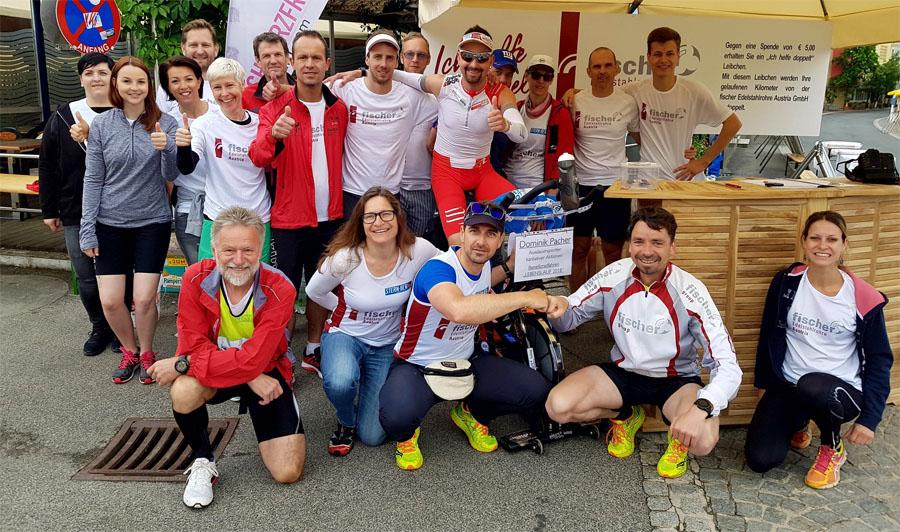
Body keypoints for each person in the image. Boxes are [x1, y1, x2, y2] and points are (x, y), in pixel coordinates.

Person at [544, 207, 742, 479]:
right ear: (629, 245)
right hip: (623, 375)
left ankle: (679, 439)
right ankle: (626, 415)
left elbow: (728, 365)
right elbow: (569, 316)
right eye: (639, 242)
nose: (646, 250)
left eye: (657, 242)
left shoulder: (691, 291)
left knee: (704, 440)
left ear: (673, 248)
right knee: (558, 407)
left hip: (676, 380)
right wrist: (554, 306)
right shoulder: (614, 274)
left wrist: (702, 408)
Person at [379, 201, 563, 470]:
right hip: (417, 365)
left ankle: (470, 413)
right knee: (396, 420)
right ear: (461, 233)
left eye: (491, 234)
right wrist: (529, 297)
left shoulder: (484, 266)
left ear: (500, 239)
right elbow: (459, 310)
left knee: (535, 391)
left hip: (466, 361)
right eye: (475, 231)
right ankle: (407, 437)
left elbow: (482, 284)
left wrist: (510, 267)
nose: (481, 241)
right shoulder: (438, 269)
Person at [147, 207, 304, 509]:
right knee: (183, 390)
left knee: (288, 472)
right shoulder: (194, 278)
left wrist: (182, 364)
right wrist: (248, 373)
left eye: (248, 249)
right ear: (214, 248)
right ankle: (203, 460)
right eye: (229, 249)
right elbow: (195, 345)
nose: (238, 259)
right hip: (242, 375)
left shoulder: (280, 287)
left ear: (261, 248)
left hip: (267, 373)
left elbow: (254, 359)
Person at [745, 211, 893, 489]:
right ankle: (800, 421)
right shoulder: (787, 281)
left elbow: (879, 360)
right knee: (760, 459)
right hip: (789, 383)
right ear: (803, 242)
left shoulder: (863, 298)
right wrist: (764, 383)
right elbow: (769, 334)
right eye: (815, 238)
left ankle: (832, 446)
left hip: (839, 390)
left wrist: (869, 420)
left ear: (844, 245)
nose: (822, 246)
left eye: (831, 239)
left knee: (813, 386)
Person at [306, 187, 439, 456]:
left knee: (373, 435)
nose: (379, 222)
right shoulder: (346, 257)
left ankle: (366, 384)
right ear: (361, 223)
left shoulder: (418, 250)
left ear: (398, 217)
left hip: (386, 343)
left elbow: (446, 269)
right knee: (341, 381)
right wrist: (341, 308)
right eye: (370, 217)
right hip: (347, 335)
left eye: (385, 214)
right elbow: (313, 291)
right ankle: (345, 419)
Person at [249, 30, 349, 376]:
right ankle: (281, 355)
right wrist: (274, 136)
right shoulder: (276, 109)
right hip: (289, 220)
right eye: (302, 57)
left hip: (332, 217)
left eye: (315, 58)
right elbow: (258, 157)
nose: (309, 64)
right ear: (292, 62)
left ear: (326, 63)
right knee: (284, 293)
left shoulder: (339, 109)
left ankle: (314, 348)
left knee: (323, 287)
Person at [79, 56, 179, 385]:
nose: (134, 88)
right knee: (110, 300)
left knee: (144, 298)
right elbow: (93, 179)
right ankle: (129, 349)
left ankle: (148, 351)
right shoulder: (103, 126)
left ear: (149, 86)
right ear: (116, 86)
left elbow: (172, 175)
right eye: (126, 81)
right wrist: (87, 229)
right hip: (109, 223)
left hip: (152, 221)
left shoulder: (164, 122)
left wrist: (166, 149)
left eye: (140, 81)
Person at [389, 26, 527, 246]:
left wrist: (506, 124)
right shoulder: (443, 84)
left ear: (490, 61)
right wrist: (361, 72)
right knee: (459, 243)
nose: (473, 64)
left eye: (481, 58)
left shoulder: (499, 91)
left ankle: (503, 276)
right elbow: (403, 76)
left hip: (482, 172)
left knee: (527, 213)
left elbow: (521, 134)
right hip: (446, 174)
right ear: (458, 57)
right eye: (467, 56)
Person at [39, 52, 118, 356]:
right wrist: (49, 209)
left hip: (118, 210)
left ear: (113, 76)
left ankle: (119, 327)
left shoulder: (125, 112)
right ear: (80, 78)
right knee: (85, 275)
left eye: (102, 72)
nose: (96, 78)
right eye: (89, 72)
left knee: (117, 272)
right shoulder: (62, 115)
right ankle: (99, 326)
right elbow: (47, 165)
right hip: (74, 207)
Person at [176, 57, 272, 264]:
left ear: (242, 84)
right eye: (217, 87)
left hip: (257, 218)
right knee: (210, 285)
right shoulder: (204, 124)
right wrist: (183, 146)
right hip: (218, 219)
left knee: (254, 287)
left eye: (230, 85)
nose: (224, 93)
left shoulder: (260, 123)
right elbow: (187, 166)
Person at [329, 31, 428, 217]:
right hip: (352, 193)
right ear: (366, 59)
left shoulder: (411, 97)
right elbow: (308, 92)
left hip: (391, 195)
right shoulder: (344, 88)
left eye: (389, 58)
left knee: (386, 246)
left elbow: (445, 89)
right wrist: (275, 90)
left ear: (397, 62)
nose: (383, 64)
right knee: (353, 247)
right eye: (377, 57)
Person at [623, 27, 742, 180]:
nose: (663, 60)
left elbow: (733, 123)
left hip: (683, 178)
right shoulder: (634, 91)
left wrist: (703, 162)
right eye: (658, 54)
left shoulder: (693, 91)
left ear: (678, 57)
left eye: (670, 54)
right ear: (649, 57)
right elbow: (603, 95)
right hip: (649, 180)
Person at [567, 47, 640, 290]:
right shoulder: (575, 100)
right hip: (581, 186)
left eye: (608, 65)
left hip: (614, 187)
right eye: (597, 66)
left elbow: (644, 139)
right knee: (578, 250)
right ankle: (574, 308)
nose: (602, 71)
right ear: (588, 71)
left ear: (617, 69)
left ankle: (612, 307)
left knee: (612, 251)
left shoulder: (628, 103)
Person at [159, 56, 217, 264]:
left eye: (189, 79)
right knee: (200, 272)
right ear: (167, 87)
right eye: (175, 81)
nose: (183, 86)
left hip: (222, 206)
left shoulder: (219, 113)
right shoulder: (165, 121)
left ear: (200, 81)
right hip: (187, 207)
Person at [503, 54, 574, 190]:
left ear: (551, 80)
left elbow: (564, 154)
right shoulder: (516, 109)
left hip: (538, 188)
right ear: (526, 76)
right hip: (507, 183)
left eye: (546, 77)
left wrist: (553, 187)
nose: (541, 81)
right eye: (536, 75)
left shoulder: (559, 114)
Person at [396, 32, 441, 244]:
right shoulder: (386, 92)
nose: (415, 60)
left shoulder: (439, 98)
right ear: (401, 57)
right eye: (410, 54)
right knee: (391, 247)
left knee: (418, 248)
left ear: (429, 59)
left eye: (421, 55)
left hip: (424, 189)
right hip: (392, 187)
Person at [156, 19, 220, 114]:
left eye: (205, 45)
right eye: (193, 45)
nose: (200, 51)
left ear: (216, 49)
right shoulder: (168, 87)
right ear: (183, 48)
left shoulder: (228, 84)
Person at [242, 32, 295, 113]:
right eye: (266, 56)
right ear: (258, 61)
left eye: (278, 54)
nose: (273, 61)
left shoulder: (307, 92)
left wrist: (286, 90)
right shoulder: (245, 96)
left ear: (287, 58)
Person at [488, 48, 519, 177]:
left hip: (494, 179)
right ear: (487, 69)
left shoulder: (512, 107)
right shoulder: (472, 96)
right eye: (498, 72)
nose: (503, 79)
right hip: (463, 180)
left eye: (509, 75)